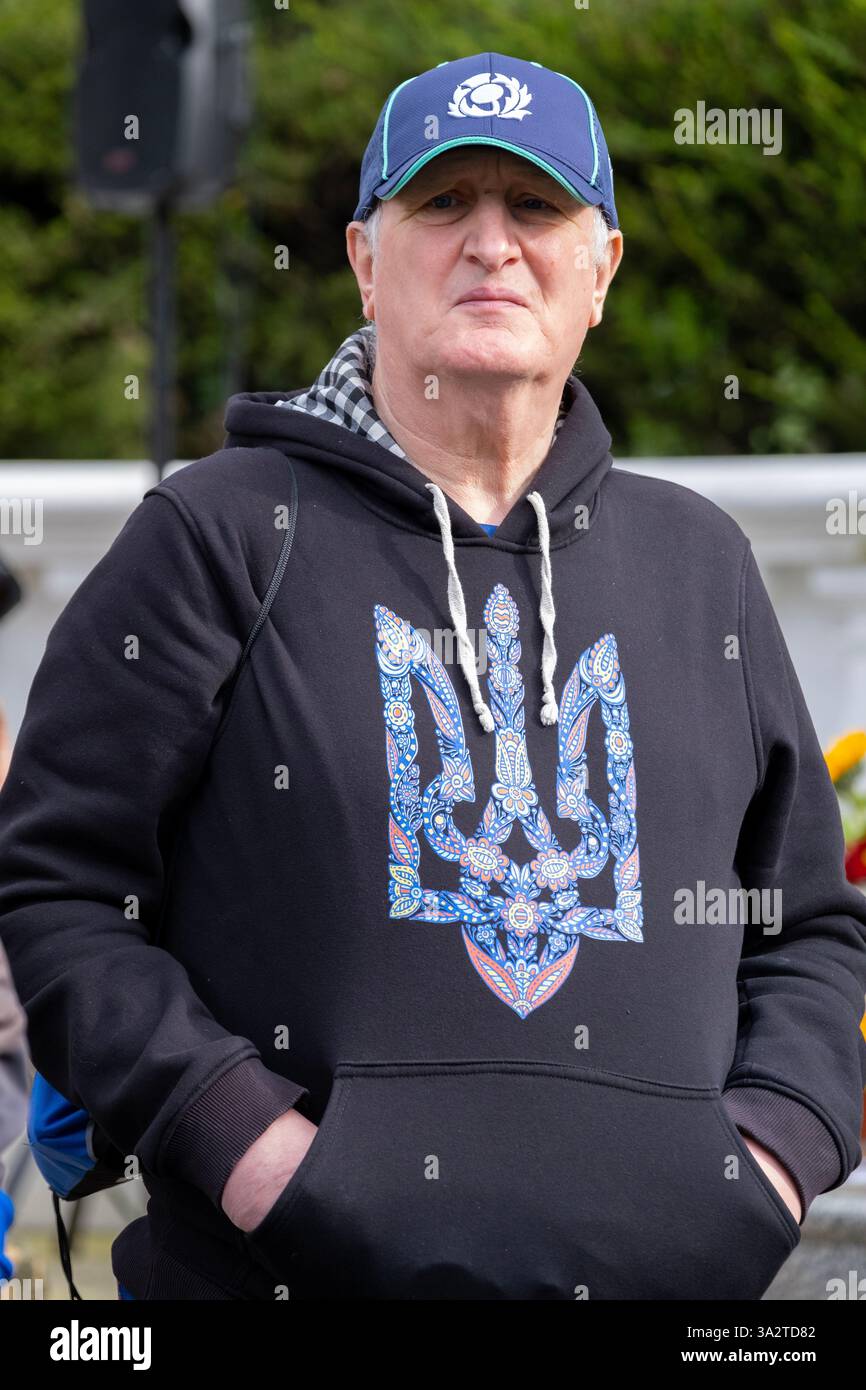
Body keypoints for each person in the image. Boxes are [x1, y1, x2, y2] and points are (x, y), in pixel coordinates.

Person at [0, 51, 864, 1301]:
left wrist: (768, 1158)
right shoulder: (219, 534)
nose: (490, 245)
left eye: (534, 208)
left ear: (601, 270)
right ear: (363, 258)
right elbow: (64, 887)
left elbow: (803, 925)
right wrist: (252, 1150)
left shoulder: (700, 566)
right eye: (442, 204)